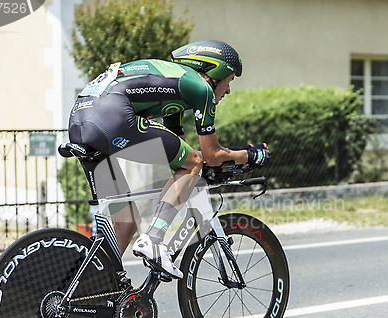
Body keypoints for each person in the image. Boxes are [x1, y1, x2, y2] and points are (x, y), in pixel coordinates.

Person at [68, 40, 270, 279]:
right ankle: (154, 239)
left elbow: (179, 148)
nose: (228, 90)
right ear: (215, 73)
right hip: (109, 118)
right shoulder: (200, 88)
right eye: (230, 81)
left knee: (126, 223)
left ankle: (92, 288)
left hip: (80, 122)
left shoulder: (175, 87)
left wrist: (206, 161)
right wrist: (251, 155)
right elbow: (210, 156)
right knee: (192, 164)